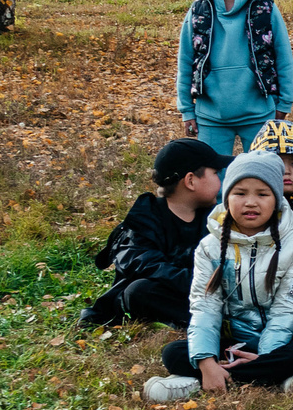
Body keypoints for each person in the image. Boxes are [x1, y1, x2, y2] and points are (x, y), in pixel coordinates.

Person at [143, 151, 293, 404]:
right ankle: (273, 378)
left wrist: (266, 356)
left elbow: (288, 308)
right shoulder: (210, 246)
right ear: (226, 197)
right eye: (240, 193)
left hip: (291, 333)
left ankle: (196, 383)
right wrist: (206, 362)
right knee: (174, 353)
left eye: (262, 194)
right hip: (239, 335)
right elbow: (205, 305)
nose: (251, 202)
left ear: (277, 200)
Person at [85, 137, 226, 328]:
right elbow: (142, 262)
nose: (220, 179)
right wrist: (197, 281)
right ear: (191, 181)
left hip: (209, 292)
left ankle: (220, 315)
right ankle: (213, 321)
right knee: (138, 291)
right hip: (176, 292)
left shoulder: (215, 218)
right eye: (216, 173)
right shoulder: (146, 217)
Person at [176, 0, 293, 154]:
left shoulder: (265, 8)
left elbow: (283, 56)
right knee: (213, 182)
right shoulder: (198, 11)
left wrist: (284, 103)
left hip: (259, 113)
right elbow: (185, 61)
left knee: (261, 177)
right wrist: (187, 110)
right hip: (211, 117)